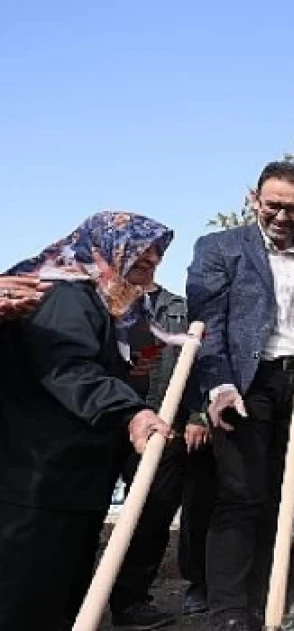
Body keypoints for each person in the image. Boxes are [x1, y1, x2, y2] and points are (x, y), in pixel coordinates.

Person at [187, 161, 294, 630]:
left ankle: (268, 597)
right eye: (273, 205)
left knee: (284, 495)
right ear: (254, 199)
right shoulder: (220, 248)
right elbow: (208, 326)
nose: (282, 216)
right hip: (246, 383)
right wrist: (218, 388)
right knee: (240, 494)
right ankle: (229, 610)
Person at [0, 211, 175, 630]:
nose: (152, 257)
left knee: (63, 595)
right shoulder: (64, 292)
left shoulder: (105, 303)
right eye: (141, 246)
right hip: (38, 477)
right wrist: (129, 410)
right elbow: (67, 367)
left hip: (74, 477)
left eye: (157, 250)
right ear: (104, 247)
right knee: (27, 597)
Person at [107, 281, 217, 628]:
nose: (142, 261)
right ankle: (68, 601)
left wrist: (200, 414)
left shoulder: (179, 309)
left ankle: (131, 601)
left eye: (150, 256)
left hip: (162, 425)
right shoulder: (97, 301)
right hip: (105, 422)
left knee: (153, 512)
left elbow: (205, 364)